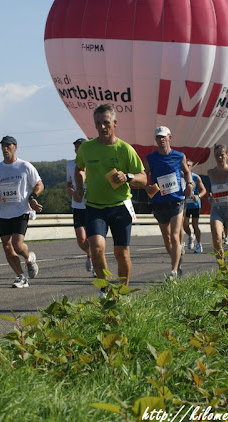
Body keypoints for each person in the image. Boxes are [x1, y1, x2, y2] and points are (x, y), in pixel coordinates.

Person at [73, 104, 146, 294]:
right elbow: (79, 168)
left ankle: (122, 293)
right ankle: (104, 290)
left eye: (106, 123)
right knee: (96, 248)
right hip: (94, 207)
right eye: (98, 123)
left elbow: (143, 178)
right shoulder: (87, 148)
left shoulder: (125, 149)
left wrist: (128, 177)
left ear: (115, 123)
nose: (102, 127)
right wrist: (79, 187)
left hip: (120, 206)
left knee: (121, 253)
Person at [0, 136, 43, 289]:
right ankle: (21, 276)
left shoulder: (24, 166)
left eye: (8, 146)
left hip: (21, 210)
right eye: (3, 146)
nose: (5, 149)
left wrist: (33, 197)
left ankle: (29, 257)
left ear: (15, 147)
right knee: (7, 246)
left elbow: (39, 184)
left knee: (17, 244)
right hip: (5, 212)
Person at [143, 126, 194, 279]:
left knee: (174, 236)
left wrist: (189, 184)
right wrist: (146, 186)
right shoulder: (150, 158)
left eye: (163, 137)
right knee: (167, 239)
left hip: (176, 201)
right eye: (158, 137)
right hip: (159, 202)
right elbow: (144, 175)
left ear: (169, 138)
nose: (161, 140)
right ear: (155, 139)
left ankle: (173, 271)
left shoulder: (179, 156)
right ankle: (177, 260)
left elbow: (187, 172)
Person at [66, 138, 94, 276]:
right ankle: (90, 254)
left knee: (93, 238)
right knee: (81, 238)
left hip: (92, 204)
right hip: (77, 205)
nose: (77, 150)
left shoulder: (93, 163)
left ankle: (96, 264)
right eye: (76, 147)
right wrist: (72, 192)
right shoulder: (70, 165)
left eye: (80, 147)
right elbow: (68, 184)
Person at [183, 160, 207, 253]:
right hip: (185, 205)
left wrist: (198, 196)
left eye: (189, 165)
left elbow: (204, 190)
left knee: (195, 225)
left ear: (192, 167)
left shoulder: (196, 177)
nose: (187, 166)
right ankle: (190, 236)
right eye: (186, 165)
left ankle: (199, 244)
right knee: (185, 225)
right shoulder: (181, 177)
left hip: (195, 204)